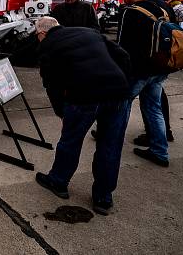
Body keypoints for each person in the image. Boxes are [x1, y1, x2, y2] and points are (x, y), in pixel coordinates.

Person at [33, 16, 132, 216]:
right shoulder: (89, 32)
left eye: (37, 36)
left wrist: (61, 111)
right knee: (110, 145)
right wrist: (123, 82)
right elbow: (123, 56)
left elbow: (52, 84)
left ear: (42, 33)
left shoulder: (47, 46)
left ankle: (59, 181)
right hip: (118, 94)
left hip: (84, 97)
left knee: (71, 141)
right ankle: (103, 197)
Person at [117, 0, 170, 167]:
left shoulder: (129, 11)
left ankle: (112, 147)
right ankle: (160, 152)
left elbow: (121, 45)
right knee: (154, 109)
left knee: (121, 107)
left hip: (138, 71)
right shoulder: (161, 10)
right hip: (159, 69)